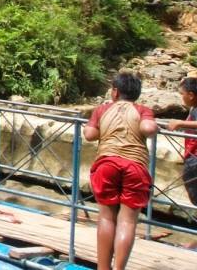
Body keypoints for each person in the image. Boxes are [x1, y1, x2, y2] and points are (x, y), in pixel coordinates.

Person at [84, 72, 157, 270]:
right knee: (127, 222)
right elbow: (149, 128)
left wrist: (104, 130)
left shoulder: (101, 110)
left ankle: (103, 267)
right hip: (135, 166)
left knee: (106, 217)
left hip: (106, 164)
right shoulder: (143, 109)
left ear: (115, 92)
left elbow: (89, 134)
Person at [167, 76, 197, 207]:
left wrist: (180, 122)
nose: (181, 97)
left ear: (191, 95)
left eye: (182, 94)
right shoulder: (194, 108)